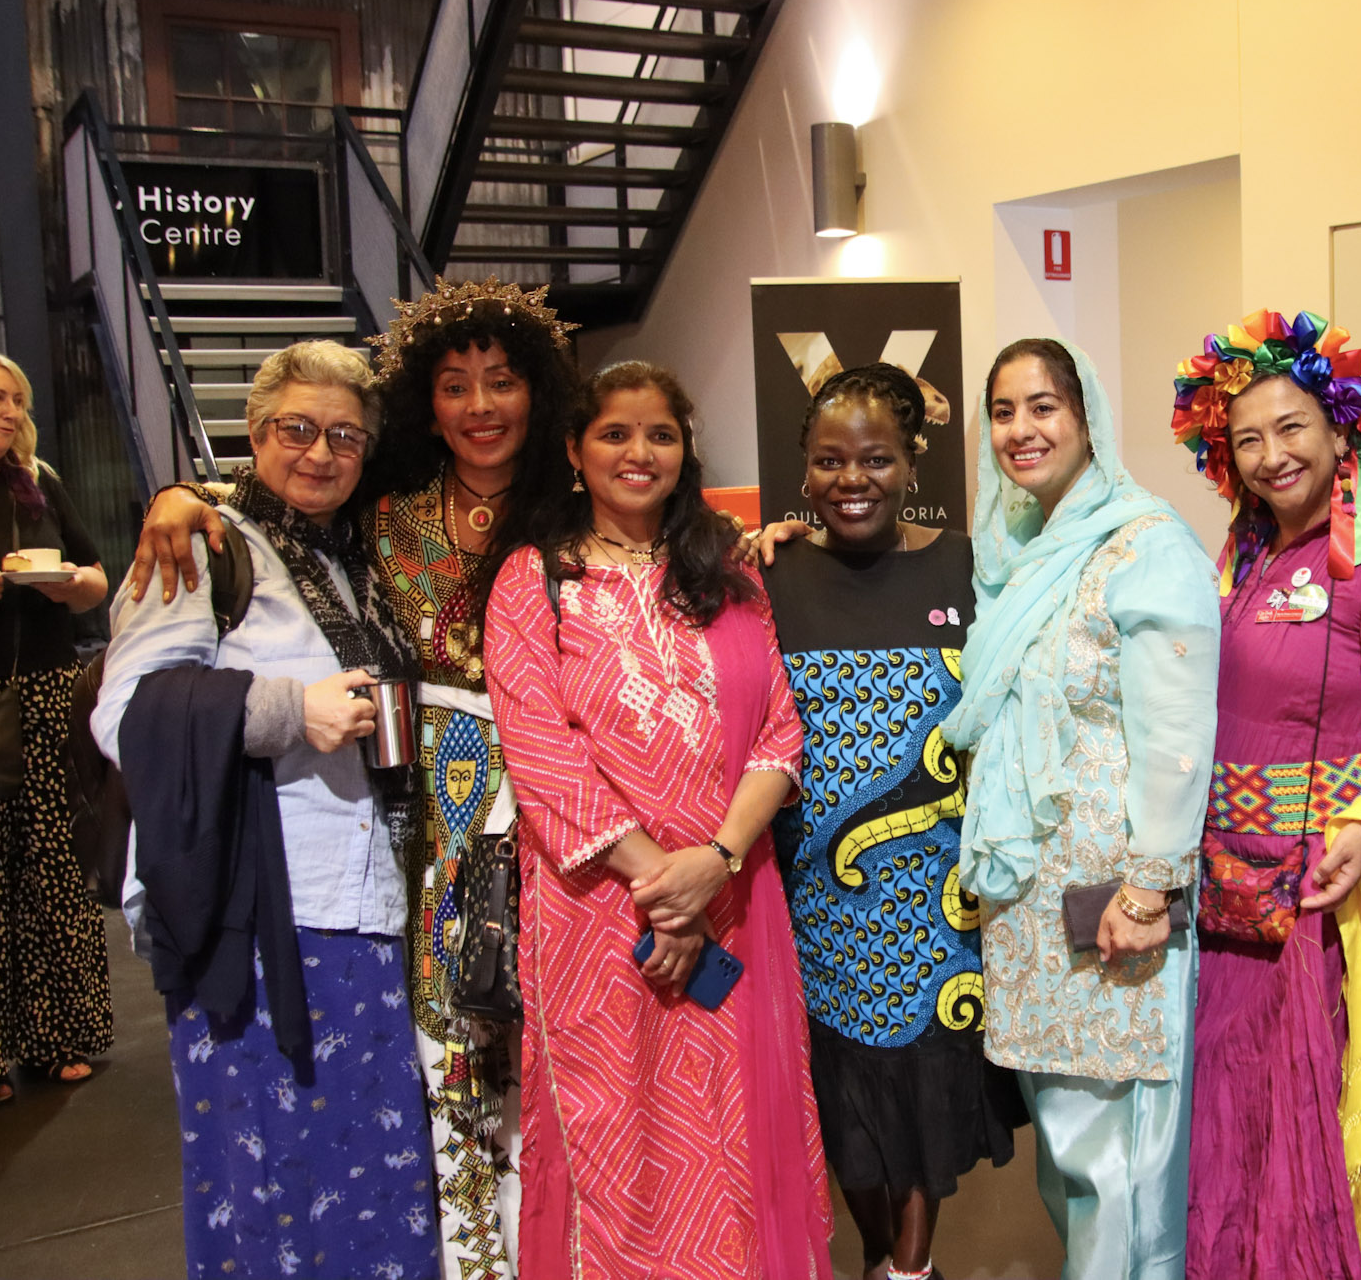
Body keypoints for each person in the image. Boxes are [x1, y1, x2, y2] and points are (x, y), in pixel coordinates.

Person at [128, 276, 583, 1280]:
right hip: (386, 860)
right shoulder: (370, 523)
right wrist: (180, 496)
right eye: (454, 385)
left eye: (500, 383)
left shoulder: (570, 514)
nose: (478, 407)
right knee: (420, 1084)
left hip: (540, 834)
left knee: (524, 1074)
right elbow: (134, 707)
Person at [93, 340, 438, 1280]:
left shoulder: (355, 554)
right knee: (269, 1173)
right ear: (254, 433)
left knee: (373, 1169)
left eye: (344, 436)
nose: (320, 452)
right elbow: (127, 715)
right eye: (297, 429)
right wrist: (290, 709)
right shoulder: (205, 546)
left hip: (367, 912)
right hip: (260, 916)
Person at [484, 360, 831, 1280]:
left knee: (737, 1126)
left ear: (685, 452)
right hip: (596, 912)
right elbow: (541, 752)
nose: (639, 453)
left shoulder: (725, 574)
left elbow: (780, 735)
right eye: (614, 434)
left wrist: (713, 864)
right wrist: (663, 886)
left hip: (734, 895)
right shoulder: (535, 580)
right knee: (618, 1131)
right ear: (573, 450)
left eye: (661, 435)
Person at [1167, 310, 1361, 1280]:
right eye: (1246, 438)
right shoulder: (1238, 557)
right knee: (1234, 1128)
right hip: (1227, 903)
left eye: (1290, 427)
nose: (1269, 456)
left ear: (1341, 425)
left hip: (1322, 901)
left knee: (1314, 1140)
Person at [939, 337, 1218, 1280]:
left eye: (1045, 405)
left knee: (1122, 1159)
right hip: (1030, 898)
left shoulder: (1147, 542)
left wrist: (1149, 887)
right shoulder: (1016, 552)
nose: (1023, 428)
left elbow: (1179, 733)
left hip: (1115, 890)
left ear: (1087, 414)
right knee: (1068, 1150)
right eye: (1006, 410)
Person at [759, 363, 1025, 1280]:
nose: (852, 479)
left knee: (923, 1089)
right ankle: (882, 1256)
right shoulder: (771, 574)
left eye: (875, 458)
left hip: (937, 898)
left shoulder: (968, 565)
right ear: (803, 472)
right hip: (812, 899)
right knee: (840, 1100)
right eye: (830, 461)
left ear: (912, 463)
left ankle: (909, 1265)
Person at [0, 346, 112, 1108]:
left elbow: (95, 579)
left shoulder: (36, 484)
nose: (12, 414)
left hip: (44, 694)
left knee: (53, 862)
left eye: (18, 401)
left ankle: (60, 1034)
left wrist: (68, 585)